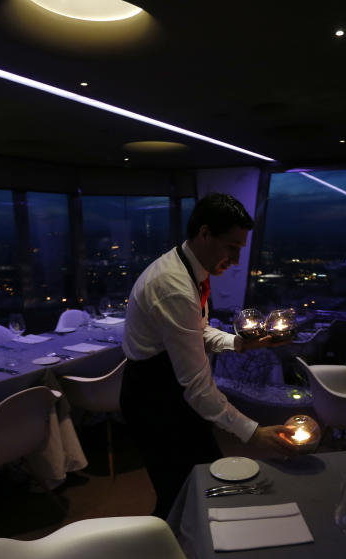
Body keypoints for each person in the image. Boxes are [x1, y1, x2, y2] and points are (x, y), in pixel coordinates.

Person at [120, 192, 299, 519]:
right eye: (231, 247)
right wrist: (252, 432)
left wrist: (240, 344)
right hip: (153, 396)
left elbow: (196, 331)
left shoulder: (189, 267)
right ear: (205, 234)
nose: (234, 260)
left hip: (170, 388)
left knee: (200, 479)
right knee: (181, 491)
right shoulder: (173, 285)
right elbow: (198, 387)